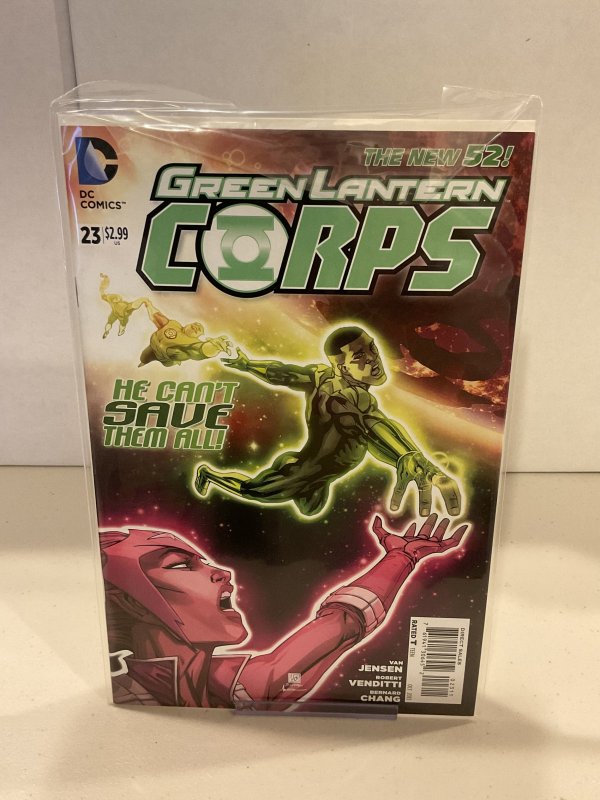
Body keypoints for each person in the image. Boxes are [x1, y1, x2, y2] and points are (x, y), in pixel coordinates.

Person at [101, 514, 468, 708]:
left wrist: (400, 557)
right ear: (131, 601)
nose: (221, 572)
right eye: (181, 566)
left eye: (202, 561)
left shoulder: (228, 685)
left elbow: (342, 624)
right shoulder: (133, 700)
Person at [195, 326, 461, 518]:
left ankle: (305, 487)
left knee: (310, 510)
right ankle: (209, 474)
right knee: (254, 491)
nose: (373, 359)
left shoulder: (320, 375)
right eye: (359, 357)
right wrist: (407, 455)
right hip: (303, 472)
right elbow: (372, 424)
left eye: (372, 348)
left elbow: (282, 373)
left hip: (321, 478)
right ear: (342, 367)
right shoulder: (344, 397)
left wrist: (247, 364)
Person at [138, 300, 232, 367]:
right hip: (153, 347)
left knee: (171, 361)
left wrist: (215, 347)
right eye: (195, 324)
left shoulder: (192, 343)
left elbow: (200, 350)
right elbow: (156, 317)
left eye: (199, 329)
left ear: (199, 336)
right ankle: (143, 362)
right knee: (143, 358)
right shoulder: (174, 324)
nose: (197, 326)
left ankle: (173, 362)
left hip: (166, 357)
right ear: (188, 324)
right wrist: (148, 304)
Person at [99, 273, 148, 338]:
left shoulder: (110, 301)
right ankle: (120, 332)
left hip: (114, 314)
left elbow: (102, 291)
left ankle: (107, 331)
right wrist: (143, 300)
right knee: (122, 325)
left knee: (109, 322)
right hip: (123, 317)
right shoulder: (123, 305)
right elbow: (134, 305)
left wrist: (105, 278)